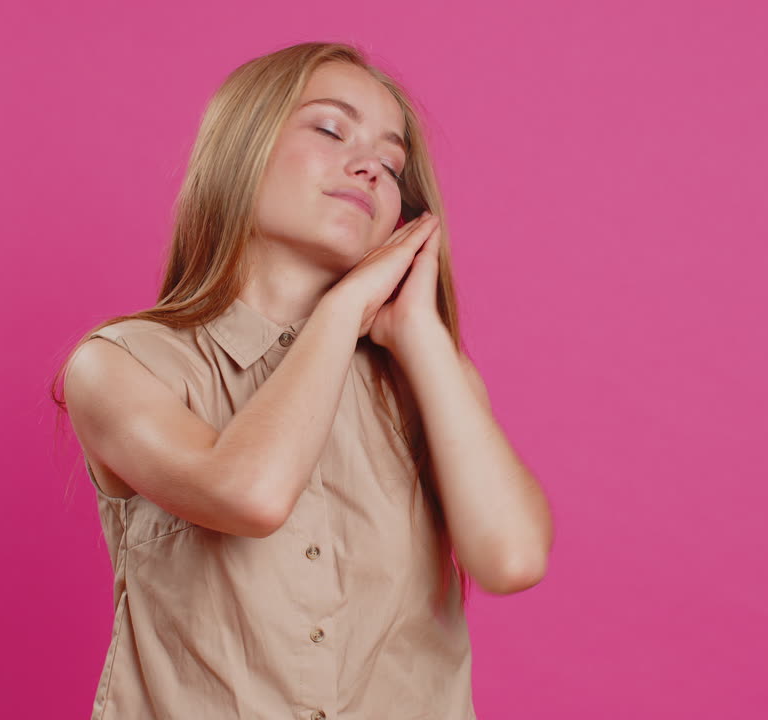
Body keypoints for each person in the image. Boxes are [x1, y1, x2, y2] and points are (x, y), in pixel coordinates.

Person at [51, 41, 551, 720]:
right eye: (329, 128)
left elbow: (513, 558)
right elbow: (249, 495)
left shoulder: (425, 376)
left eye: (392, 163)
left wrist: (424, 337)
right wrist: (344, 308)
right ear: (242, 147)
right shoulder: (123, 364)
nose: (370, 165)